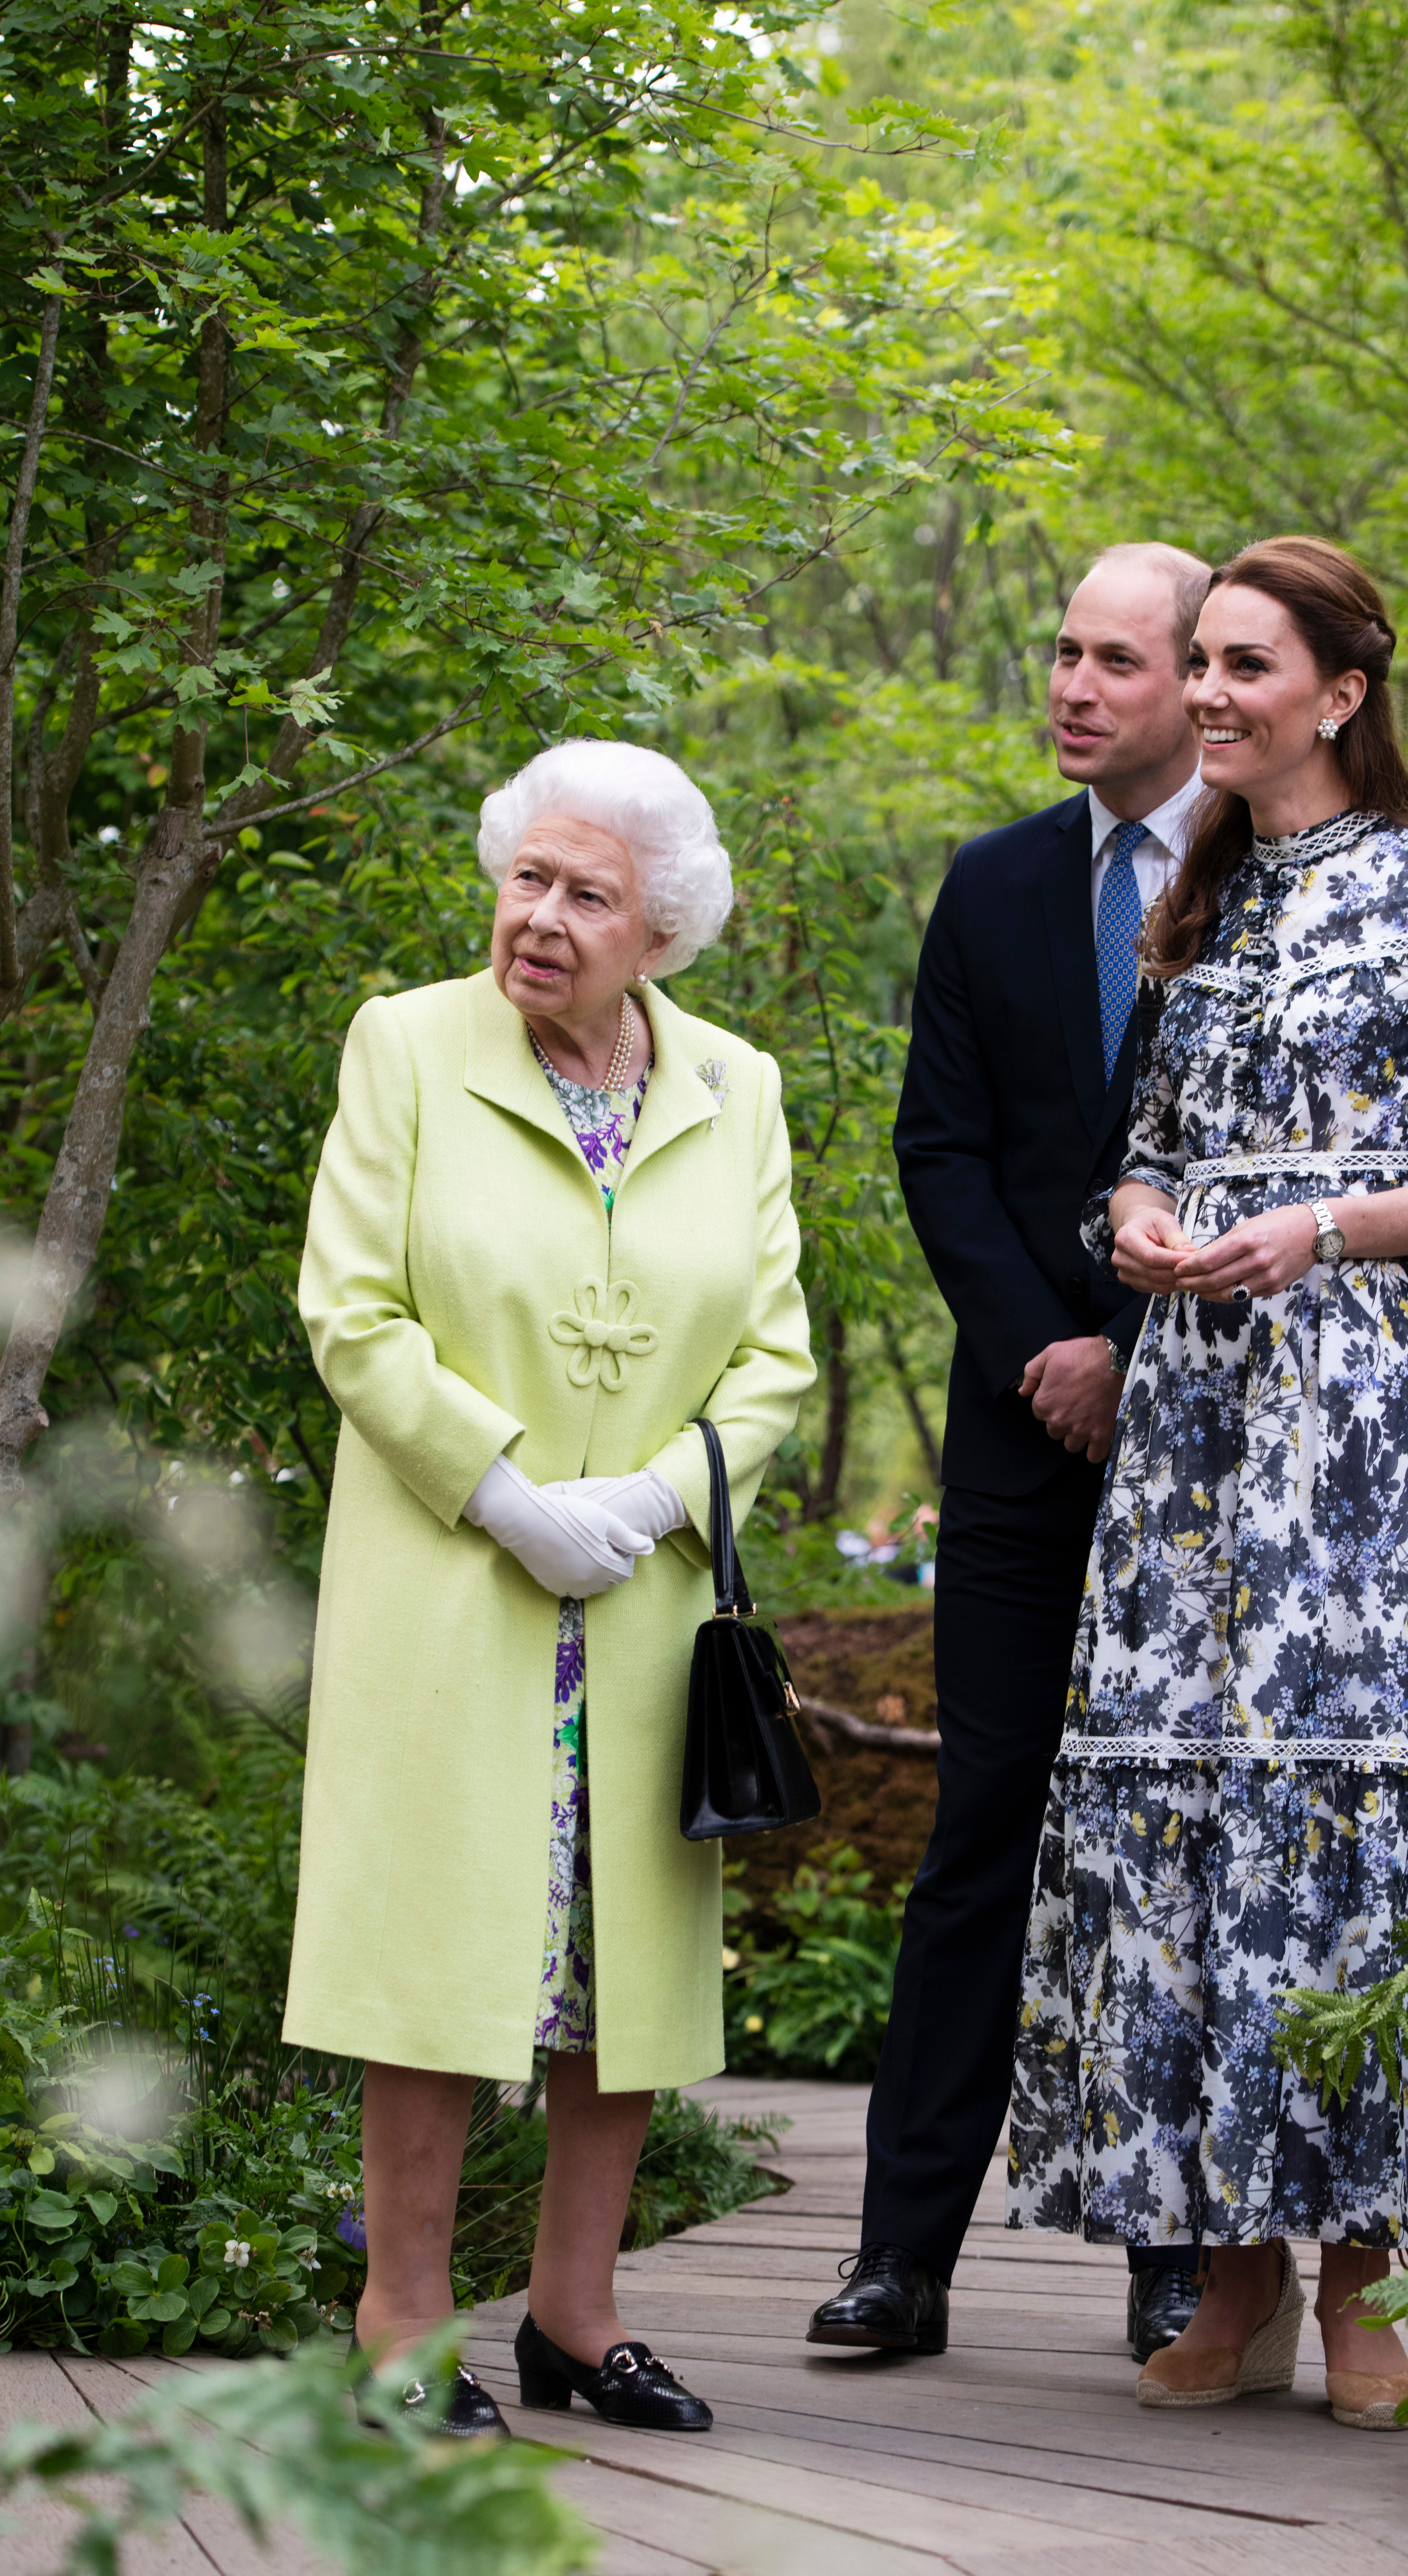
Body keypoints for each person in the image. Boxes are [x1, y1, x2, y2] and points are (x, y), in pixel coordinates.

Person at [1007, 537, 1408, 2430]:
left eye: (1247, 666)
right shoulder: (1201, 898)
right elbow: (1141, 1155)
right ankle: (1225, 2270)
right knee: (1195, 1816)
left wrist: (1319, 1229)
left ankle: (1364, 2279)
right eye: (1205, 666)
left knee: (1349, 1823)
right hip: (1189, 1438)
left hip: (1356, 1427)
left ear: (1340, 690)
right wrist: (1148, 1219)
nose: (1213, 694)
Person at [284, 741, 815, 2437]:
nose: (540, 918)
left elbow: (773, 1353)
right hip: (457, 1582)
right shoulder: (409, 1046)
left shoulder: (734, 1085)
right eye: (527, 877)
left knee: (617, 1972)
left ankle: (576, 2318)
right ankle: (401, 2321)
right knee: (437, 1959)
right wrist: (507, 1494)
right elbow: (351, 1309)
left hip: (644, 1602)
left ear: (657, 928)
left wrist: (658, 1496)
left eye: (587, 894)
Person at [807, 542, 1217, 2367]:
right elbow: (938, 1151)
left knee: (1172, 1838)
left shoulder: (1280, 886)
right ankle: (903, 2260)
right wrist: (1048, 1348)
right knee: (980, 1827)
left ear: (1198, 679)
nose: (1071, 684)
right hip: (1017, 1430)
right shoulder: (986, 887)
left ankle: (1172, 2256)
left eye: (1113, 659)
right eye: (1061, 651)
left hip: (1218, 1437)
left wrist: (1142, 1353)